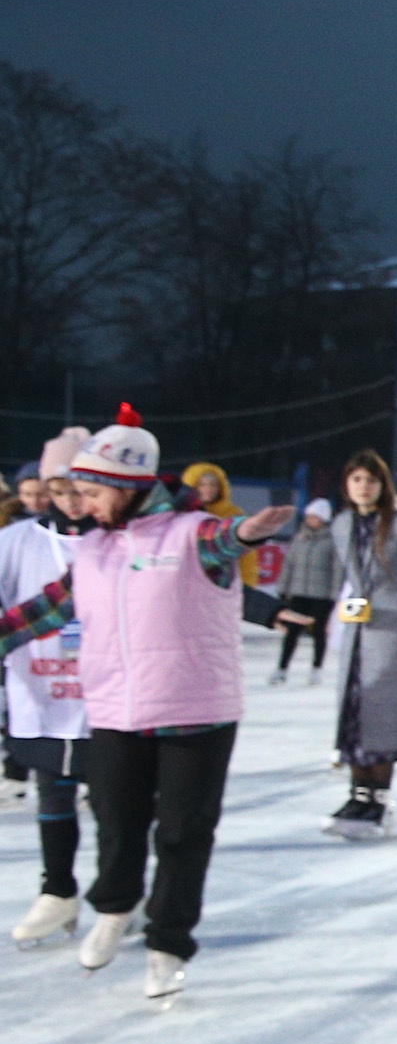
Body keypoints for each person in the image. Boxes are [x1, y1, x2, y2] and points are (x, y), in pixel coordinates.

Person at [0, 407, 295, 996]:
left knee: (182, 832)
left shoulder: (189, 534)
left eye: (89, 492)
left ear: (126, 488)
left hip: (195, 710)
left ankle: (167, 943)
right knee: (115, 821)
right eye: (74, 492)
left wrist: (248, 534)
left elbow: (223, 540)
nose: (79, 505)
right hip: (114, 710)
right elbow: (41, 612)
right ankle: (114, 908)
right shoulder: (92, 549)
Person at [322, 453, 397, 841]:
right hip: (359, 631)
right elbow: (343, 577)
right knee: (355, 712)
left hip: (394, 632)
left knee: (385, 717)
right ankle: (358, 794)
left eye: (371, 480)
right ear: (347, 485)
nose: (364, 487)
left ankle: (379, 796)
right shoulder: (341, 525)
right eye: (356, 479)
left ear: (383, 485)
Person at [3, 429, 91, 945]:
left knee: (114, 800)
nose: (69, 500)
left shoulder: (119, 540)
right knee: (52, 788)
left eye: (79, 488)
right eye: (58, 488)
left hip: (110, 698)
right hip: (40, 694)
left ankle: (119, 893)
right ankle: (57, 889)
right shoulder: (16, 542)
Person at [271, 498, 338, 685]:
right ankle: (282, 668)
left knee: (318, 632)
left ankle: (316, 669)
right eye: (309, 516)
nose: (311, 520)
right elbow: (289, 565)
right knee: (291, 631)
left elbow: (337, 569)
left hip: (322, 595)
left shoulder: (332, 541)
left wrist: (334, 595)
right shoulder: (299, 538)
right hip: (299, 592)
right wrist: (283, 589)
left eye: (315, 517)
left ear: (324, 519)